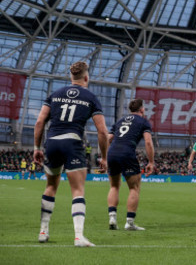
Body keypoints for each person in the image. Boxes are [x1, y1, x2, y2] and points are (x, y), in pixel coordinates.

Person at [33, 61, 109, 247]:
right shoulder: (90, 97)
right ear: (86, 77)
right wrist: (104, 156)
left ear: (71, 77)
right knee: (77, 190)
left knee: (51, 186)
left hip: (52, 143)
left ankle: (43, 232)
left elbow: (39, 122)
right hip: (72, 143)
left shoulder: (55, 94)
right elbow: (102, 131)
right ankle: (78, 237)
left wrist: (37, 148)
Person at [106, 99, 155, 231]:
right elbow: (148, 142)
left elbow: (108, 138)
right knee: (134, 188)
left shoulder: (120, 121)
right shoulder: (144, 122)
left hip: (112, 152)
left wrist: (104, 156)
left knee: (114, 186)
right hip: (127, 152)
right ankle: (129, 222)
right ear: (142, 109)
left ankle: (112, 218)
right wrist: (151, 162)